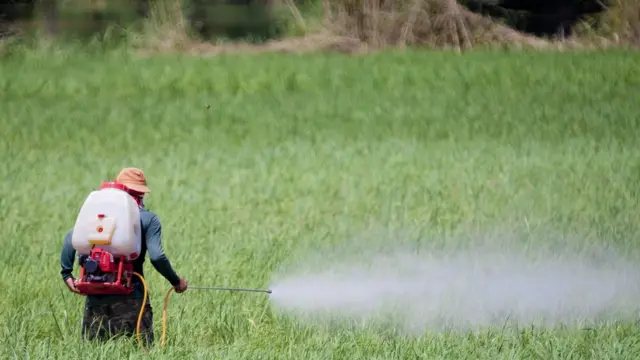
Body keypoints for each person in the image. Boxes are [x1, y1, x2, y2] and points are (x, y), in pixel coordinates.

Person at [60, 167, 188, 345]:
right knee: (142, 352)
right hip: (133, 298)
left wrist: (67, 274)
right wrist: (176, 282)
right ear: (141, 194)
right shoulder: (148, 219)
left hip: (95, 297)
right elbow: (157, 257)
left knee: (93, 354)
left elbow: (70, 238)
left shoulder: (98, 216)